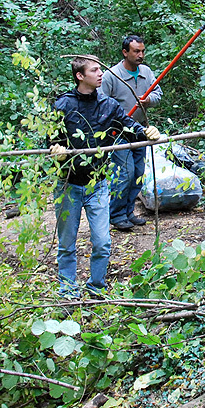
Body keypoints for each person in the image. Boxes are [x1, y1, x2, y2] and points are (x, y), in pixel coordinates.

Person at [50, 56, 161, 298]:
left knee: (102, 242)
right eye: (95, 70)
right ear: (80, 76)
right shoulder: (63, 105)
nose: (101, 74)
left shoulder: (108, 105)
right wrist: (56, 150)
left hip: (98, 185)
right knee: (66, 244)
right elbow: (50, 139)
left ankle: (96, 288)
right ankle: (68, 290)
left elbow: (130, 128)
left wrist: (147, 132)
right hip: (69, 184)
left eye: (100, 69)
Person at [98, 35, 163, 231]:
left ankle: (128, 212)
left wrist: (148, 101)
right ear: (125, 52)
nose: (140, 55)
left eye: (142, 51)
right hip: (118, 132)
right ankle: (116, 214)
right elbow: (100, 102)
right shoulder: (111, 75)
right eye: (136, 51)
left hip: (140, 130)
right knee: (125, 173)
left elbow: (158, 94)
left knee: (138, 173)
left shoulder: (146, 72)